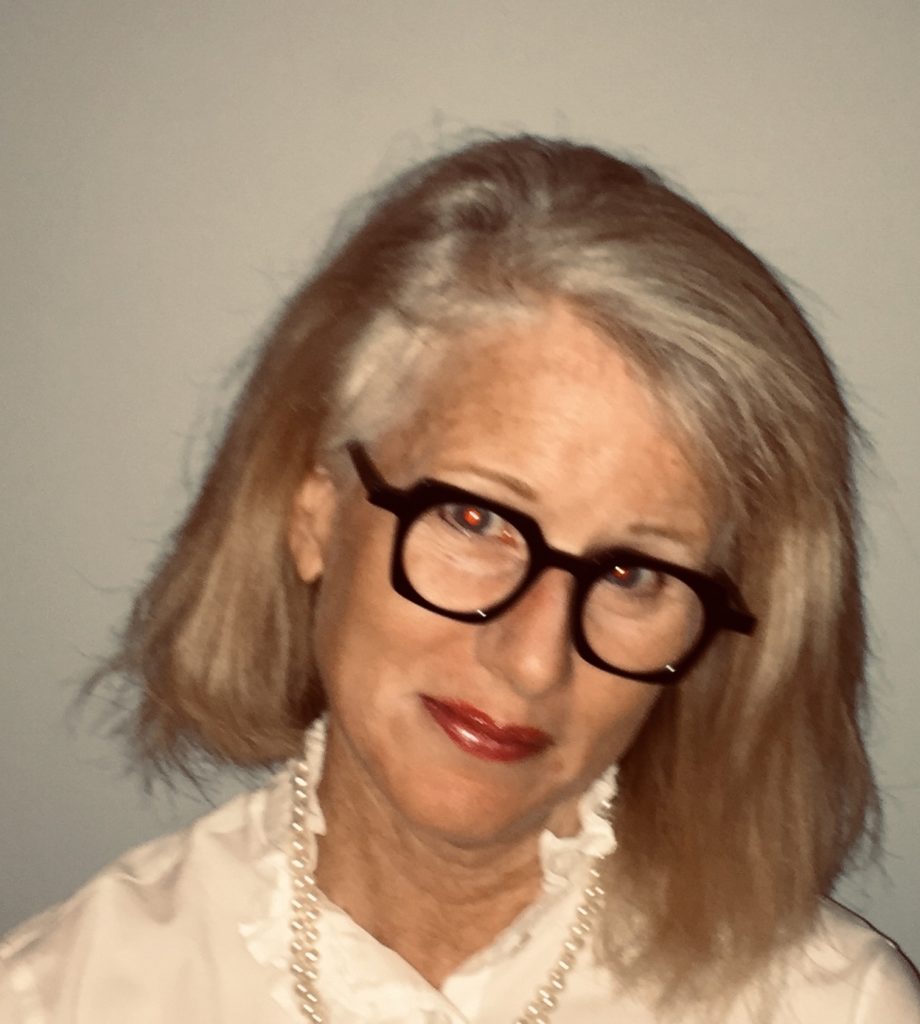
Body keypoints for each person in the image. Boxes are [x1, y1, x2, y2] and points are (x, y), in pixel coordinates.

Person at [1, 135, 918, 1024]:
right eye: (476, 520)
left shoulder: (838, 1009)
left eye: (633, 571)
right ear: (314, 512)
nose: (533, 660)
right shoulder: (59, 998)